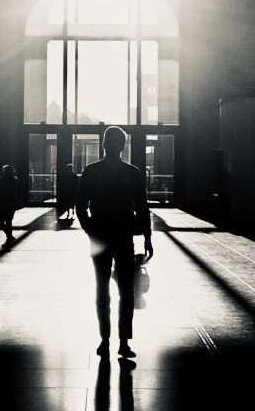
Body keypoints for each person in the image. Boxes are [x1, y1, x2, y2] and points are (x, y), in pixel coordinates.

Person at [76, 126, 153, 359]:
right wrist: (147, 236)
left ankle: (108, 340)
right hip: (121, 235)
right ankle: (119, 341)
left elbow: (81, 206)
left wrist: (92, 231)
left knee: (107, 290)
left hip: (105, 236)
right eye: (114, 141)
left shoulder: (92, 172)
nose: (116, 145)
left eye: (119, 141)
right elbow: (141, 206)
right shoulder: (132, 173)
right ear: (109, 144)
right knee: (123, 290)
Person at [0, 164, 18, 249]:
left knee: (1, 222)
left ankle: (9, 236)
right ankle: (9, 236)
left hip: (2, 203)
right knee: (9, 221)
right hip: (11, 203)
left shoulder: (1, 181)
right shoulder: (14, 180)